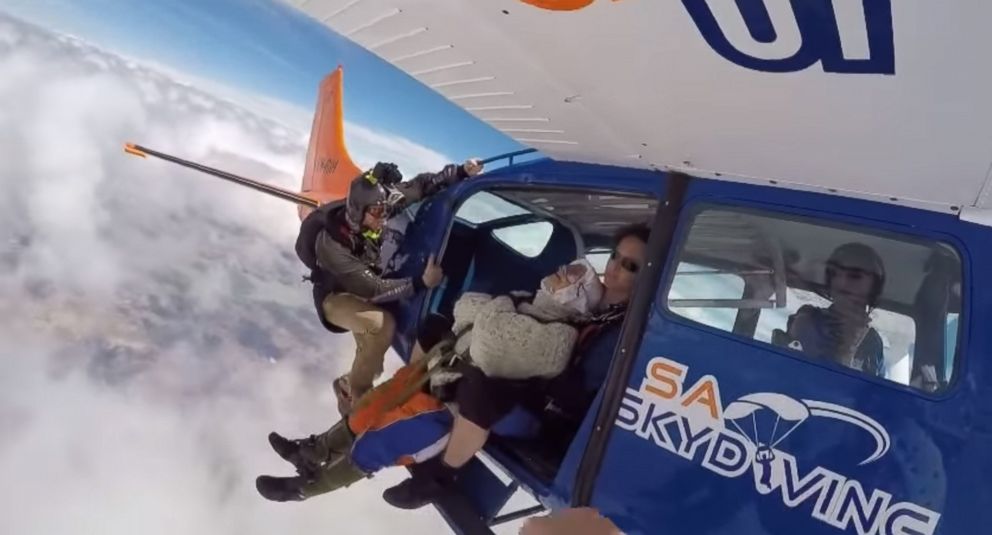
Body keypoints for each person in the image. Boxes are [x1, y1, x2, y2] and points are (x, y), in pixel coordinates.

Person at [255, 258, 606, 502]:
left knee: (387, 438)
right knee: (371, 405)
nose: (560, 273)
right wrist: (494, 313)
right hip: (448, 371)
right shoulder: (525, 304)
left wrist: (496, 307)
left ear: (576, 297)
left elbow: (491, 340)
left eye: (571, 275)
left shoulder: (559, 336)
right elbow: (465, 307)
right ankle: (313, 450)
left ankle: (308, 487)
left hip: (466, 400)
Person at [381, 223, 650, 510]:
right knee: (434, 326)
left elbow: (577, 384)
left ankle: (437, 479)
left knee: (481, 390)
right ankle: (410, 397)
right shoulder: (586, 289)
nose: (614, 267)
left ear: (646, 277)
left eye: (630, 265)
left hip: (543, 400)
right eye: (614, 256)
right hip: (523, 363)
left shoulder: (622, 331)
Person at [299, 158, 484, 416]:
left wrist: (461, 172)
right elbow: (373, 289)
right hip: (335, 295)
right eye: (376, 212)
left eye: (384, 210)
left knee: (373, 356)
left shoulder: (379, 207)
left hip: (361, 288)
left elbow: (421, 186)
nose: (383, 217)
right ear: (357, 210)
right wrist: (422, 282)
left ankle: (347, 383)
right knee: (382, 326)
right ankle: (356, 396)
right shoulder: (332, 246)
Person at [776, 242, 886, 377]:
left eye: (855, 275)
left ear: (873, 288)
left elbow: (872, 394)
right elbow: (787, 374)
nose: (841, 282)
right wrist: (846, 349)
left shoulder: (873, 342)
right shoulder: (808, 318)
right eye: (835, 274)